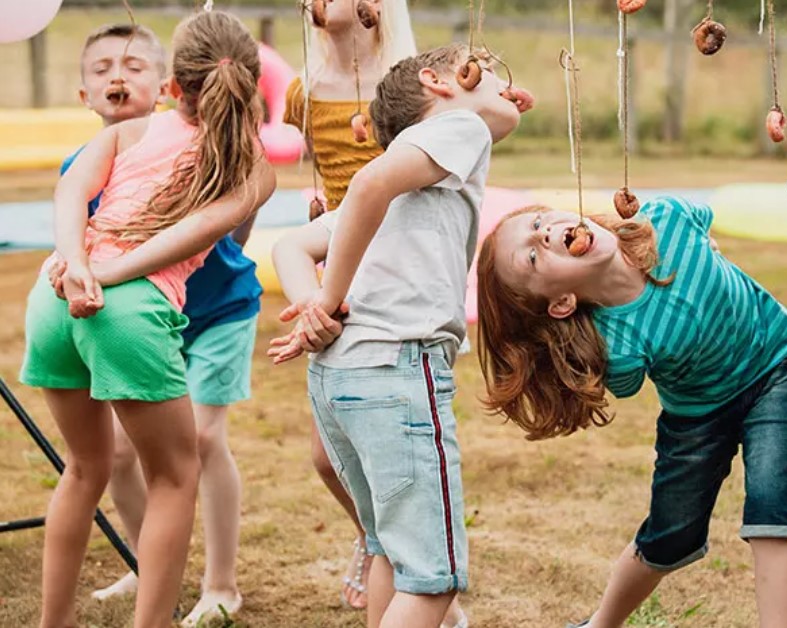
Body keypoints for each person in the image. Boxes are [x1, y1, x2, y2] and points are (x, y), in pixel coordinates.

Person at [19, 11, 275, 627]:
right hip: (122, 309)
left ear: (169, 87)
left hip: (52, 296)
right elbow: (196, 234)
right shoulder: (254, 170)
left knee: (83, 468)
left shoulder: (128, 133)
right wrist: (102, 274)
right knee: (175, 477)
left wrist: (77, 262)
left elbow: (69, 194)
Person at [270, 43, 527, 627]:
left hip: (340, 379)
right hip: (398, 372)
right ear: (438, 83)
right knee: (433, 581)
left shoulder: (419, 175)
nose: (498, 78)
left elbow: (291, 245)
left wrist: (309, 305)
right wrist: (326, 301)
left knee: (390, 546)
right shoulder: (458, 129)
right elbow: (364, 187)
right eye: (484, 66)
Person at [476, 198, 787, 628]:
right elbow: (627, 381)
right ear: (562, 303)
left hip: (778, 366)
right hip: (697, 417)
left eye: (539, 221)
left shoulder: (667, 219)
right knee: (670, 535)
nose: (542, 234)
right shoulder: (616, 350)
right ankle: (602, 623)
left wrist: (706, 249)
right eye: (530, 255)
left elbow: (702, 221)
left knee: (774, 511)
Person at [282, 0, 416, 609]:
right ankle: (371, 535)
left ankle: (413, 567)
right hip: (338, 262)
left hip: (398, 265)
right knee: (326, 452)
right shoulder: (300, 93)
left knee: (393, 440)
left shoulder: (405, 84)